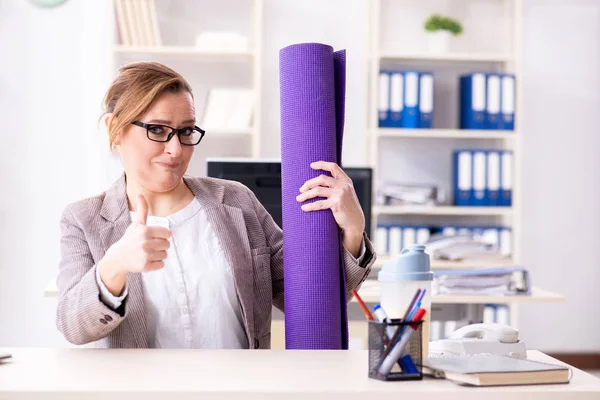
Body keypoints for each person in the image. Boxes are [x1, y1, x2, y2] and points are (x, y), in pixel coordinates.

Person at [56, 61, 376, 349]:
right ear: (115, 129)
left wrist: (353, 230)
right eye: (157, 130)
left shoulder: (237, 201)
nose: (175, 149)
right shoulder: (83, 219)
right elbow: (73, 326)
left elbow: (311, 298)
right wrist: (115, 264)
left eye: (186, 132)